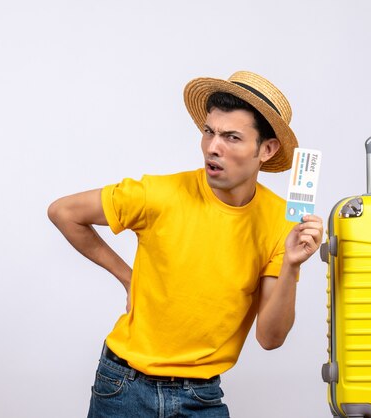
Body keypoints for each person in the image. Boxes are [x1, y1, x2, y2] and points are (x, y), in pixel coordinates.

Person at [48, 71, 323, 417]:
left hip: (202, 396)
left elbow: (270, 338)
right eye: (209, 132)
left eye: (232, 137)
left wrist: (291, 264)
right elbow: (64, 212)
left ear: (266, 149)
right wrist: (127, 277)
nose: (213, 147)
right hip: (122, 386)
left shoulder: (282, 223)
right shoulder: (159, 194)